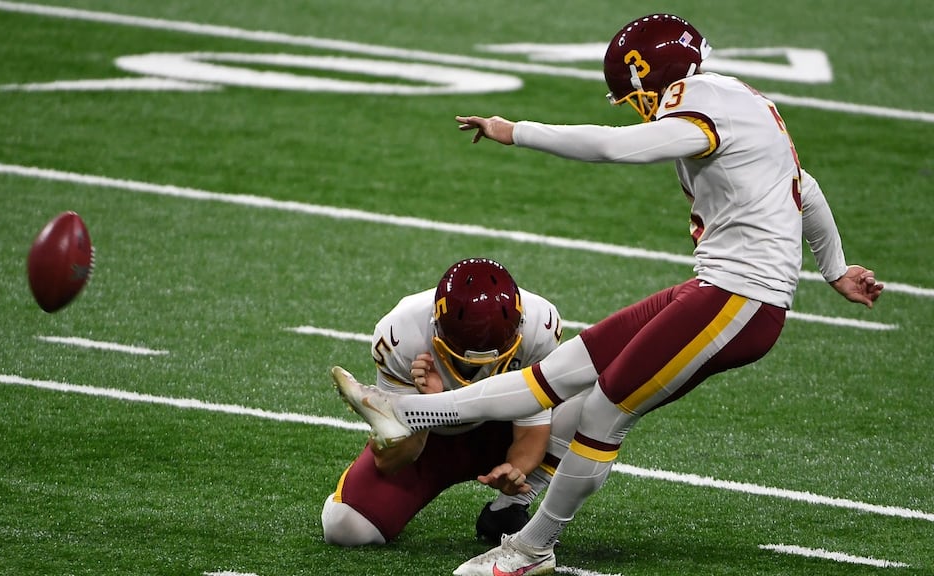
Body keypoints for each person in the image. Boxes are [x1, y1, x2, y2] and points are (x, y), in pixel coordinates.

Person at [329, 13, 884, 576]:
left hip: (740, 298)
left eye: (634, 93)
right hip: (717, 289)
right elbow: (806, 188)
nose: (637, 105)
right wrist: (834, 268)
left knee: (602, 412)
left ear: (653, 75)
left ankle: (530, 550)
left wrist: (513, 130)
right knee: (559, 373)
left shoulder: (700, 101)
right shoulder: (740, 99)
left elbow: (616, 147)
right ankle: (403, 411)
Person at [322, 257, 573, 546]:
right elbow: (389, 461)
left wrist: (516, 470)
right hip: (431, 445)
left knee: (584, 392)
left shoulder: (539, 327)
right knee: (345, 527)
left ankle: (508, 510)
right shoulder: (402, 334)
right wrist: (428, 406)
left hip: (498, 428)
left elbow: (533, 422)